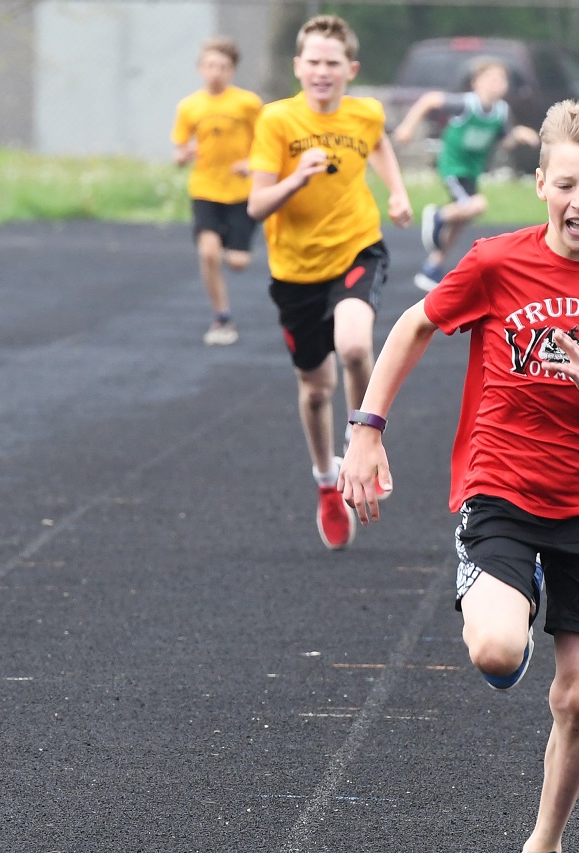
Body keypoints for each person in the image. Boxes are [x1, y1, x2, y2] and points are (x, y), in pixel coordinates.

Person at [339, 100, 579, 853]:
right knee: (493, 652)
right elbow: (414, 325)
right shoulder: (494, 261)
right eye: (566, 184)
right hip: (503, 488)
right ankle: (497, 601)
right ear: (539, 186)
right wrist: (367, 431)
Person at [246, 14, 412, 550]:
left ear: (350, 69)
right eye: (313, 62)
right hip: (295, 271)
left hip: (356, 246)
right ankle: (325, 480)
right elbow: (256, 205)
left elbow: (380, 144)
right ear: (298, 67)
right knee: (316, 390)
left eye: (332, 64)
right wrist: (298, 177)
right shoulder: (276, 121)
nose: (322, 72)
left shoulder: (365, 113)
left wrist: (397, 191)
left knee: (356, 343)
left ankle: (362, 444)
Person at [393, 57, 541, 292]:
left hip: (471, 171)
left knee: (461, 219)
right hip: (452, 167)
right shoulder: (465, 104)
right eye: (491, 78)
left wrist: (519, 134)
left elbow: (504, 142)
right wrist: (408, 127)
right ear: (476, 83)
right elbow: (430, 100)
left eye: (501, 79)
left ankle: (433, 267)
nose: (497, 83)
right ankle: (438, 215)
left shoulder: (501, 112)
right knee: (477, 205)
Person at [171, 36, 263, 345]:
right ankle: (222, 316)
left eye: (222, 67)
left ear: (232, 71)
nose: (216, 72)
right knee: (208, 253)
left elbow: (269, 143)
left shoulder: (248, 103)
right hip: (205, 189)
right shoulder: (189, 106)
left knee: (237, 262)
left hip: (241, 192)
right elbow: (179, 150)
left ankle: (229, 239)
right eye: (210, 66)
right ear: (200, 69)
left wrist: (251, 163)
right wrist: (183, 156)